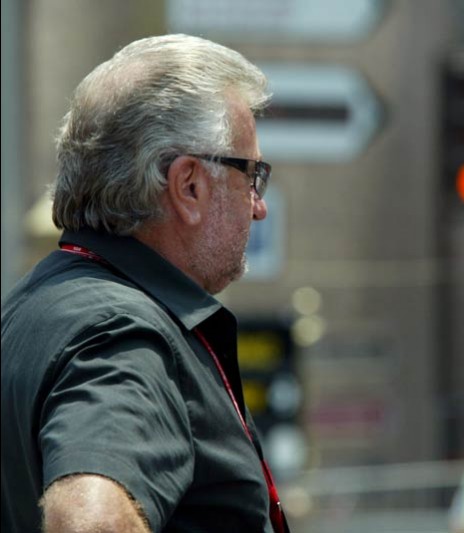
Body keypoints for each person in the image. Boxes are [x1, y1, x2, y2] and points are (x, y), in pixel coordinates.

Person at [1, 35, 290, 533]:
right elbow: (89, 524)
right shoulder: (125, 334)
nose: (258, 205)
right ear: (189, 185)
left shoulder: (28, 310)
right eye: (252, 175)